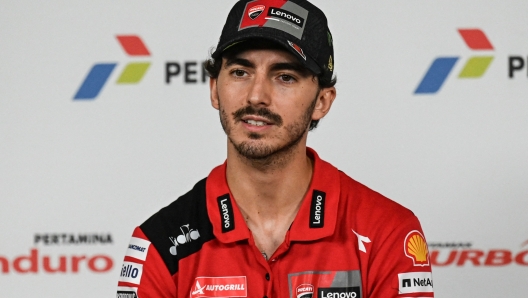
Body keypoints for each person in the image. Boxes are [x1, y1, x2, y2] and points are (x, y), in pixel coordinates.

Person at [117, 0, 434, 297]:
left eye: (284, 76)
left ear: (321, 102)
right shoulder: (160, 244)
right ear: (215, 90)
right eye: (240, 72)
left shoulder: (387, 232)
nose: (256, 96)